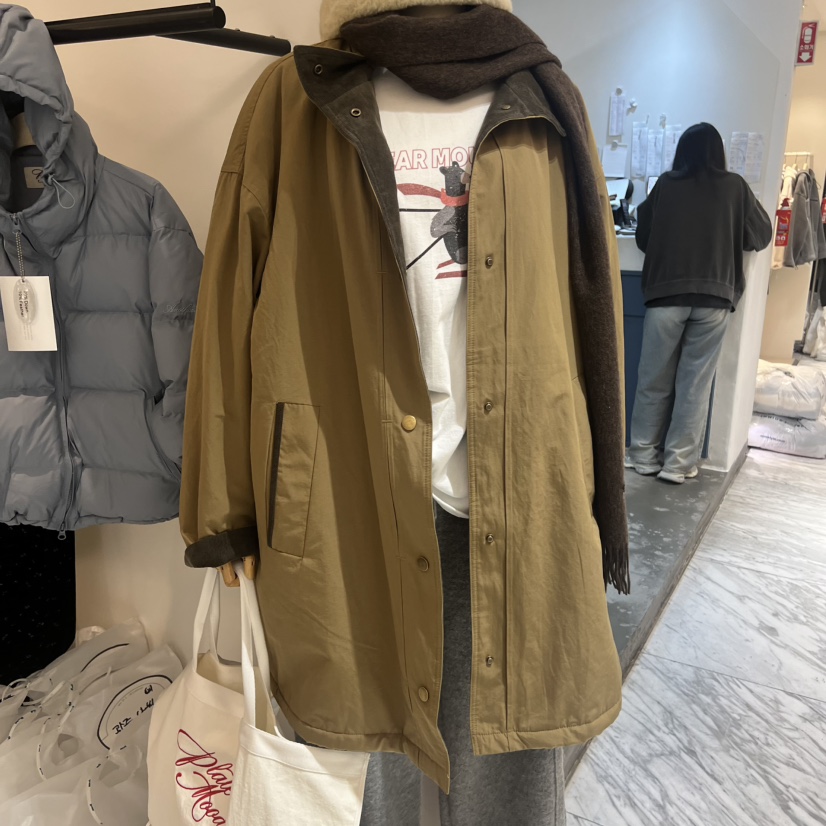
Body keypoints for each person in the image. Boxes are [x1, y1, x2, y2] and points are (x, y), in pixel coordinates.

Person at [628, 122, 772, 484]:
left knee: (653, 381)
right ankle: (678, 465)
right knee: (695, 385)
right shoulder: (736, 187)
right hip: (714, 298)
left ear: (681, 151)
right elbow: (761, 235)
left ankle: (643, 456)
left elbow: (643, 237)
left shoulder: (665, 184)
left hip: (665, 296)